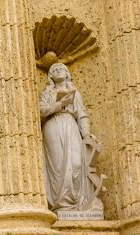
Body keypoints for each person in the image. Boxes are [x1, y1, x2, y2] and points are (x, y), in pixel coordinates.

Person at [39, 62, 104, 212]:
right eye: (54, 69)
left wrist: (86, 134)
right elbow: (41, 111)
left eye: (61, 68)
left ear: (67, 73)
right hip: (53, 126)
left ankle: (77, 203)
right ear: (51, 76)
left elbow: (82, 115)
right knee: (58, 163)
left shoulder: (75, 93)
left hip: (71, 125)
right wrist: (60, 104)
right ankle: (61, 204)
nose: (58, 70)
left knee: (76, 163)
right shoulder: (47, 94)